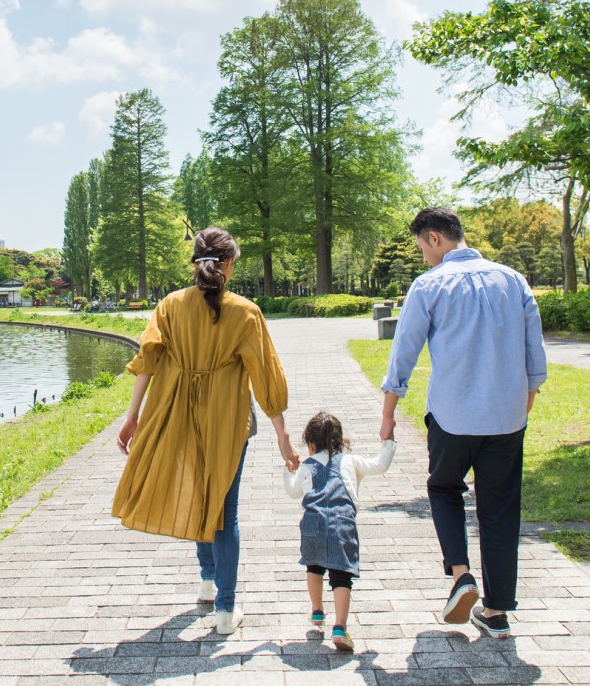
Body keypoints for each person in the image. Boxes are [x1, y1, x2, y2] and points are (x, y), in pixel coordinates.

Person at [112, 226, 298, 635]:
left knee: (199, 494)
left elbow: (148, 360)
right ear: (230, 263)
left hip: (178, 411)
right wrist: (283, 435)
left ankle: (208, 581)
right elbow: (266, 377)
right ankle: (226, 611)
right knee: (224, 510)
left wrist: (133, 415)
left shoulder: (170, 305)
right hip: (229, 420)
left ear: (195, 262)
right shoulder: (245, 312)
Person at [380, 207, 546, 640]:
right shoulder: (513, 280)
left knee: (443, 488)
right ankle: (496, 612)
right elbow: (535, 359)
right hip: (507, 419)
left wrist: (387, 415)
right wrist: (519, 411)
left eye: (422, 248)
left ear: (434, 238)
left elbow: (404, 355)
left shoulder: (430, 285)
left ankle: (460, 575)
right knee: (500, 507)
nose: (423, 258)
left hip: (453, 418)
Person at [283, 412, 395, 652]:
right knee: (341, 576)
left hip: (312, 523)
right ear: (339, 440)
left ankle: (317, 609)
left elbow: (293, 492)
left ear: (310, 443)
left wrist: (289, 470)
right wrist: (389, 441)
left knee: (313, 565)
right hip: (342, 523)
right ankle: (340, 627)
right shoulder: (350, 461)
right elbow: (380, 464)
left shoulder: (307, 466)